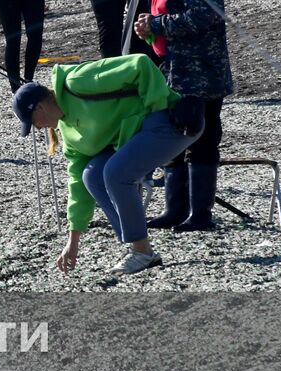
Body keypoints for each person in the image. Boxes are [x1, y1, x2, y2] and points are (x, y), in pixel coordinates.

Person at [12, 54, 200, 276]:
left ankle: (141, 253)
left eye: (33, 123)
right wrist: (73, 241)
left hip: (177, 120)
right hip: (138, 136)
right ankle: (139, 247)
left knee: (115, 173)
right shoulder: (69, 134)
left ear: (40, 108)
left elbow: (140, 64)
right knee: (91, 175)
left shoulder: (77, 81)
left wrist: (158, 107)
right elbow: (77, 185)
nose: (39, 128)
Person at [130, 0, 233, 233]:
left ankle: (200, 215)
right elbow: (165, 20)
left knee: (201, 139)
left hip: (202, 73)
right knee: (171, 137)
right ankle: (175, 210)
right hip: (173, 72)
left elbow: (207, 14)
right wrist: (147, 29)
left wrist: (158, 25)